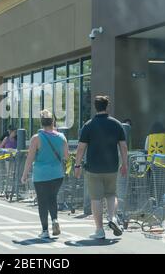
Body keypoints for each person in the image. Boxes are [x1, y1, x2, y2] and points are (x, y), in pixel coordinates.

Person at [74, 96, 128, 239]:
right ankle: (113, 218)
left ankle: (99, 230)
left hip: (93, 168)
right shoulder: (117, 124)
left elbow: (81, 148)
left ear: (95, 107)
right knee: (111, 194)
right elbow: (123, 146)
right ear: (107, 107)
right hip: (112, 167)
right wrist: (125, 164)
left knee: (96, 198)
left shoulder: (88, 125)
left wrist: (77, 165)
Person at [21, 110, 69, 239]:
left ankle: (45, 230)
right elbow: (66, 156)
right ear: (53, 122)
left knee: (42, 201)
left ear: (41, 123)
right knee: (52, 197)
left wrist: (24, 174)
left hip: (41, 175)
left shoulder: (36, 138)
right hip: (57, 174)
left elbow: (30, 158)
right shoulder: (61, 137)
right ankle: (55, 220)